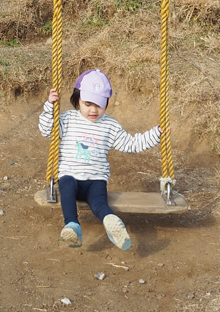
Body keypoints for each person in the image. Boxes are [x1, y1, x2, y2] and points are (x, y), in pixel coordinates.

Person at [38, 69, 162, 251]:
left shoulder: (110, 126)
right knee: (67, 190)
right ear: (77, 100)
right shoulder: (67, 119)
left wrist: (156, 134)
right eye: (88, 104)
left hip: (96, 179)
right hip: (70, 175)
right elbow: (46, 130)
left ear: (106, 104)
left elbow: (132, 144)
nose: (93, 110)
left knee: (99, 204)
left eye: (99, 105)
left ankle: (112, 223)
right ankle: (72, 226)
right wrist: (50, 106)